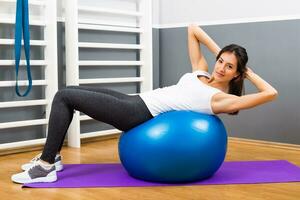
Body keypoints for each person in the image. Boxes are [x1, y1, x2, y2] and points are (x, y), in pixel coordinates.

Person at [11, 24, 278, 184]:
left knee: (63, 97)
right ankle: (54, 156)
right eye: (221, 60)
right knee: (68, 91)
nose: (221, 67)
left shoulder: (223, 99)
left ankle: (45, 166)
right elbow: (193, 28)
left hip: (137, 114)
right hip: (137, 100)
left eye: (229, 66)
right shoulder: (201, 71)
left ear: (236, 74)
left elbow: (270, 93)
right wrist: (224, 52)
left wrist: (248, 71)